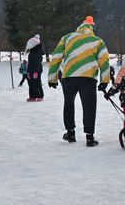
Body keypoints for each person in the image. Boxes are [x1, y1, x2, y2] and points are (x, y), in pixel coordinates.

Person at [48, 16, 110, 146]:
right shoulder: (97, 41)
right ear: (92, 28)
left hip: (69, 76)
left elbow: (56, 58)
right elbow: (104, 61)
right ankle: (89, 137)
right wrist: (104, 80)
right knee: (89, 106)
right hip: (88, 77)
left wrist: (52, 78)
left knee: (68, 103)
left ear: (80, 27)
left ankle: (70, 133)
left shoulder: (67, 38)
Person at [25, 35, 44, 102]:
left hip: (37, 70)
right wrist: (28, 71)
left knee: (37, 83)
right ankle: (32, 96)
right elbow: (30, 63)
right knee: (31, 83)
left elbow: (38, 62)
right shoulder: (32, 51)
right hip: (31, 70)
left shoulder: (38, 52)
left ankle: (40, 96)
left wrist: (36, 71)